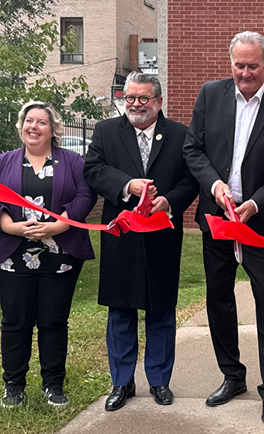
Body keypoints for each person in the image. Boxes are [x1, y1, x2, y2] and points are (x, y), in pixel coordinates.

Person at [183, 31, 264, 426]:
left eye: (253, 66)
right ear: (230, 62)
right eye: (239, 65)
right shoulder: (209, 94)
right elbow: (193, 150)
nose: (245, 73)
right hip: (217, 217)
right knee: (219, 298)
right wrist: (215, 185)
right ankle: (232, 375)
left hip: (260, 222)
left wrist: (256, 203)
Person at [85, 73, 199, 411]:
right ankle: (121, 382)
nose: (135, 104)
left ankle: (159, 381)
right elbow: (92, 170)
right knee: (121, 310)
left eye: (143, 98)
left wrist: (171, 202)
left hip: (162, 236)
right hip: (122, 235)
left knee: (160, 309)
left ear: (159, 101)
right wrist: (127, 185)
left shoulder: (180, 134)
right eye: (129, 97)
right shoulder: (107, 131)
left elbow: (191, 179)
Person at [0, 101, 95, 408]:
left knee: (53, 321)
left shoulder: (71, 161)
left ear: (53, 128)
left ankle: (53, 384)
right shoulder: (4, 162)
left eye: (41, 122)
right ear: (21, 126)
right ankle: (14, 385)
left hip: (60, 254)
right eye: (29, 121)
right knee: (15, 321)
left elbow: (86, 195)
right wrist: (11, 226)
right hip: (12, 253)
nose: (34, 126)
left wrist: (58, 226)